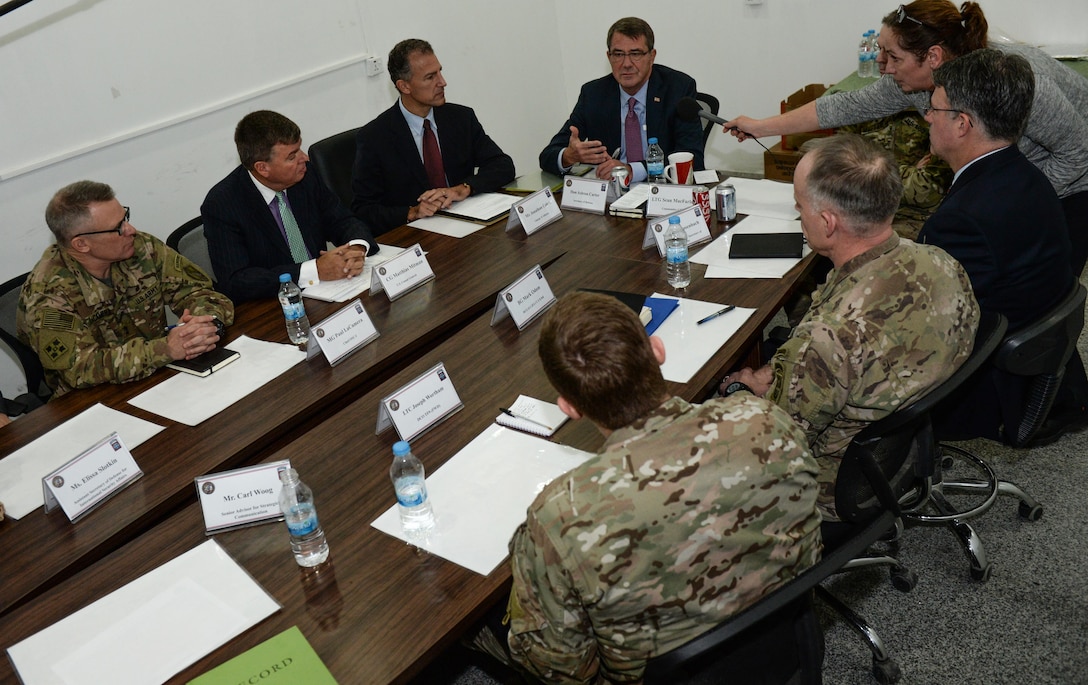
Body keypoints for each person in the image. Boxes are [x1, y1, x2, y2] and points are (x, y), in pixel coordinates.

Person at [474, 291, 822, 683]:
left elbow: (561, 669)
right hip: (784, 644)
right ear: (658, 351)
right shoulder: (763, 420)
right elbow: (810, 540)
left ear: (569, 407)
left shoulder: (562, 517)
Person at [723, 0, 1088, 274]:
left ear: (933, 56)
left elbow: (1077, 152)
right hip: (1007, 180)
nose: (883, 65)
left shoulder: (1018, 81)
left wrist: (1014, 205)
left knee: (1040, 292)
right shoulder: (917, 82)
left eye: (892, 56)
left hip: (1071, 181)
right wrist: (762, 126)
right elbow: (842, 107)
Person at [720, 134, 978, 519]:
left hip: (832, 486)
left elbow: (775, 446)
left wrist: (743, 391)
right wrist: (778, 377)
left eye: (799, 205)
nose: (798, 213)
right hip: (900, 446)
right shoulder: (940, 262)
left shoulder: (829, 338)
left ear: (827, 222)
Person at [918, 49, 1087, 442]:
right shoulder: (1029, 177)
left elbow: (930, 324)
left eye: (934, 108)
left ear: (962, 123)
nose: (927, 116)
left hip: (974, 392)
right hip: (1024, 364)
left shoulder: (963, 220)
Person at [17, 181, 234, 398]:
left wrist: (203, 326)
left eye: (125, 218)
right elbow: (79, 369)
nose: (131, 230)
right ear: (81, 244)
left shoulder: (141, 247)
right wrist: (165, 349)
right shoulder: (48, 294)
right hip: (96, 401)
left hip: (162, 377)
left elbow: (199, 292)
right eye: (117, 227)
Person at [202, 110, 378, 303]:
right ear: (262, 168)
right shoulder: (222, 204)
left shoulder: (305, 175)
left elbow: (341, 220)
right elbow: (236, 281)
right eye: (292, 156)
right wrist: (314, 271)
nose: (305, 159)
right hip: (273, 306)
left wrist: (357, 247)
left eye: (299, 149)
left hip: (330, 292)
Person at [350, 39, 515, 235]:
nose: (442, 82)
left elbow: (502, 165)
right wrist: (412, 212)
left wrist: (463, 188)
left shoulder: (460, 118)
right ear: (404, 86)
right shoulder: (375, 138)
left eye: (440, 72)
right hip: (417, 239)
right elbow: (363, 210)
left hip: (469, 229)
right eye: (430, 77)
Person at [538, 17, 704, 184]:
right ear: (609, 57)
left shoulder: (678, 88)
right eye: (618, 54)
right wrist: (568, 156)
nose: (626, 64)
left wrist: (632, 170)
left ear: (652, 56)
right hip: (612, 196)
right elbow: (548, 155)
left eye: (635, 54)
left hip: (663, 192)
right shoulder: (593, 94)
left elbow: (693, 158)